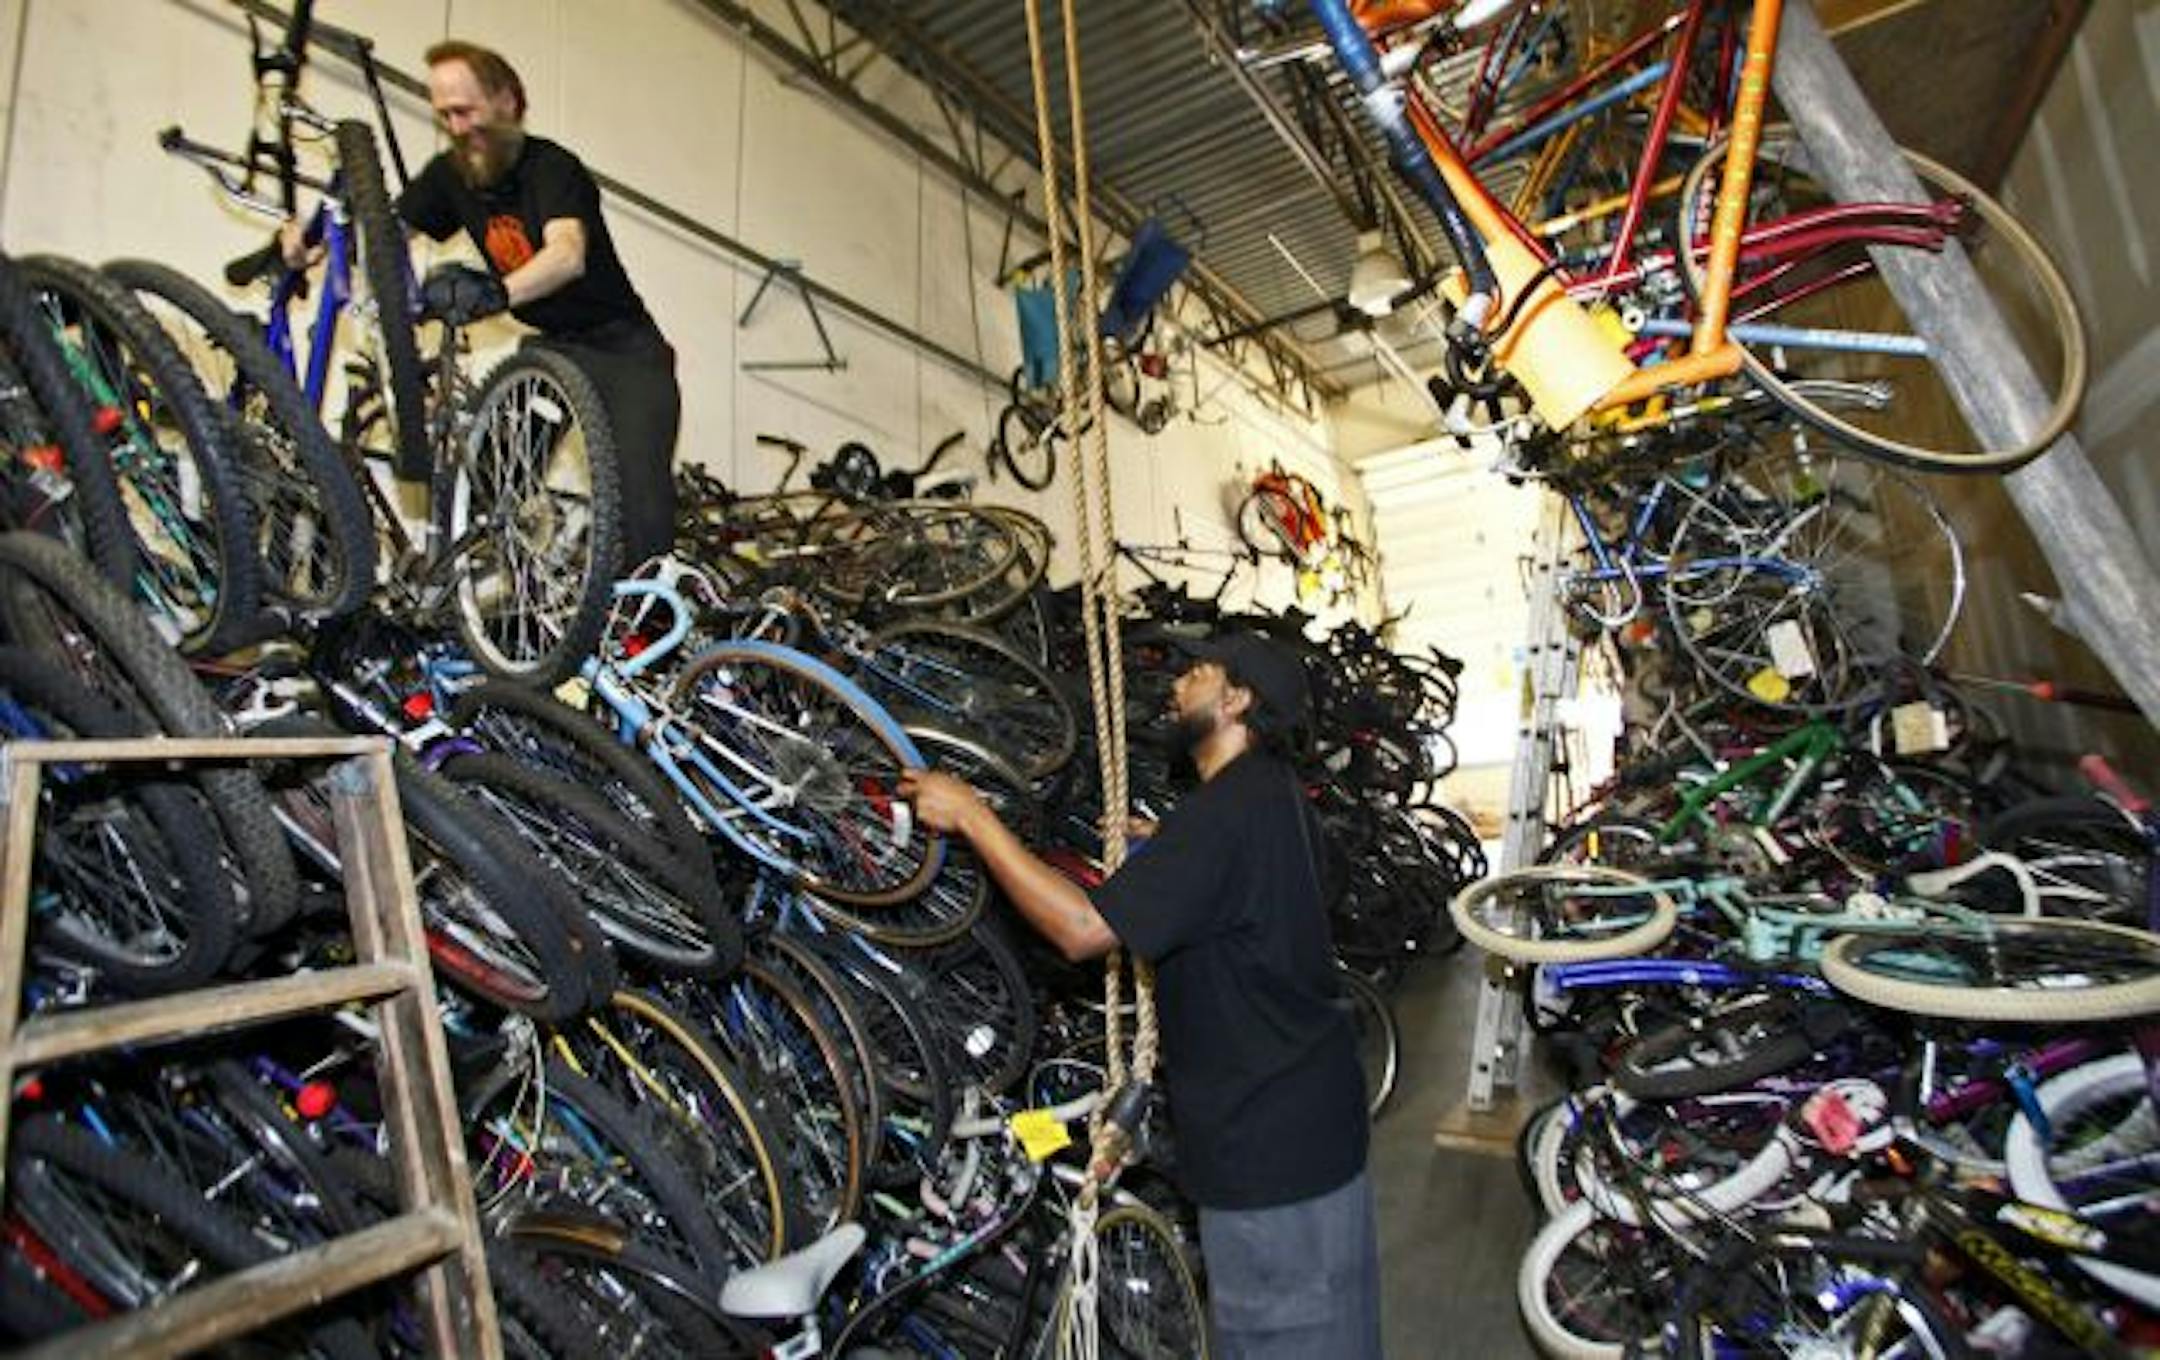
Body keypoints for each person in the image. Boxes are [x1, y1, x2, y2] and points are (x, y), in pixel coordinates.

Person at [898, 633, 1383, 1359]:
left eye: (1198, 672)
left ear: (1237, 700)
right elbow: (1246, 877)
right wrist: (1165, 842)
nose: (1177, 685)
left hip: (1270, 1164)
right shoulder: (1270, 794)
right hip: (1313, 1130)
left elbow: (1081, 928)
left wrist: (972, 816)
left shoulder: (1220, 819)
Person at [291, 39, 680, 563]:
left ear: (508, 102)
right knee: (489, 481)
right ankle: (493, 614)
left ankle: (645, 628)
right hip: (554, 349)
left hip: (627, 352)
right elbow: (382, 232)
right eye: (443, 114)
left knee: (640, 498)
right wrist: (310, 238)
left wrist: (496, 293)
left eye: (466, 110)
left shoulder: (551, 168)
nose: (455, 127)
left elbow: (567, 255)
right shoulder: (452, 176)